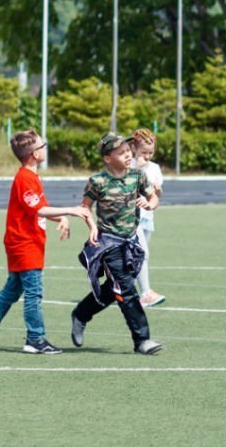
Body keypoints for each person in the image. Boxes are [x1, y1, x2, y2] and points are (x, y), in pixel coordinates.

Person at [0, 129, 92, 355]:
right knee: (34, 292)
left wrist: (61, 217)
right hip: (24, 243)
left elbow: (40, 208)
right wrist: (72, 210)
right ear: (35, 154)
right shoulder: (25, 178)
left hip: (27, 242)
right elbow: (40, 209)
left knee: (13, 289)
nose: (46, 148)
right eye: (43, 146)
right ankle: (35, 338)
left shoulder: (31, 177)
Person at [70, 131, 163, 355]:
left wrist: (150, 204)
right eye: (121, 153)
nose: (128, 155)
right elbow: (85, 207)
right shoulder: (97, 181)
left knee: (114, 289)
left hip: (131, 243)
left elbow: (154, 197)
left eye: (128, 151)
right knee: (127, 290)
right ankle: (142, 340)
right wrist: (92, 227)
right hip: (109, 244)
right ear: (107, 158)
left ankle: (81, 314)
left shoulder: (138, 176)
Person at [130, 128, 167, 307]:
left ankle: (121, 290)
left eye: (150, 152)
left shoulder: (154, 168)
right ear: (134, 148)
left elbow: (157, 195)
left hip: (147, 216)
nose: (147, 156)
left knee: (135, 256)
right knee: (142, 253)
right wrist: (137, 167)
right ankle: (145, 293)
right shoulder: (130, 165)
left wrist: (157, 190)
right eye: (144, 152)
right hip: (132, 216)